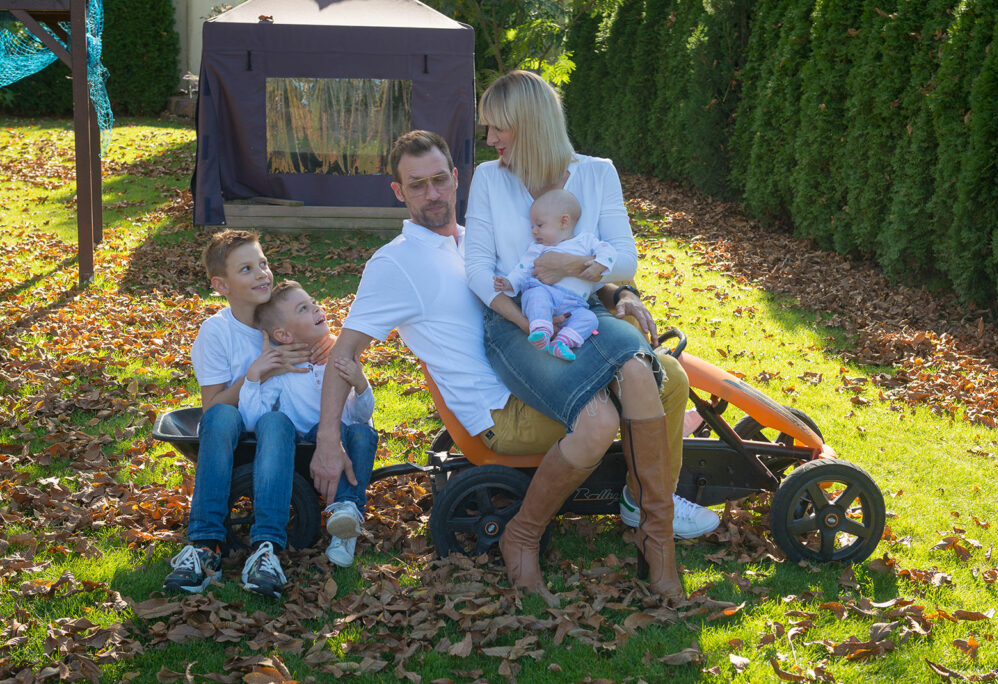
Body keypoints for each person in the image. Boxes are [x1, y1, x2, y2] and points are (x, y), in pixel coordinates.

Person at [311, 131, 709, 602]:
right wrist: (328, 438)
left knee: (668, 374)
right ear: (398, 192)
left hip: (543, 375)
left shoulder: (479, 242)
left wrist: (620, 294)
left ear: (458, 179)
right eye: (417, 185)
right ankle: (526, 535)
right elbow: (344, 352)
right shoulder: (395, 264)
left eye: (440, 179)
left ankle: (638, 501)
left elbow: (557, 275)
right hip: (501, 411)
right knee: (601, 416)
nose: (433, 193)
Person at [465, 71, 719, 598]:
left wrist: (569, 265)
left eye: (498, 129)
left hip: (583, 312)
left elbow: (624, 259)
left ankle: (657, 539)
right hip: (518, 323)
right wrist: (530, 318)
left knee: (640, 372)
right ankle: (522, 536)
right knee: (598, 419)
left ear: (531, 125)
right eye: (487, 130)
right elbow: (477, 270)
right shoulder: (490, 179)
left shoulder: (598, 174)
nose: (490, 141)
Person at [163, 230, 332, 599]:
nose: (261, 274)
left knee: (274, 422)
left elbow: (326, 339)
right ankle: (204, 544)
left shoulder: (285, 317)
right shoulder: (217, 332)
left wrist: (329, 345)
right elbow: (212, 409)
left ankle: (265, 548)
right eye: (246, 269)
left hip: (291, 425)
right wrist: (259, 370)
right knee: (221, 418)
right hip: (237, 429)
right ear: (221, 285)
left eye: (263, 263)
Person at [240, 280, 379, 568]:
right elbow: (254, 419)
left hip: (348, 442)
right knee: (336, 430)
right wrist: (255, 375)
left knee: (364, 433)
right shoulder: (284, 374)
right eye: (304, 308)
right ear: (284, 334)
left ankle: (347, 519)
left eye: (313, 302)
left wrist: (360, 382)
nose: (317, 307)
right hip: (309, 445)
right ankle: (346, 510)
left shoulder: (336, 362)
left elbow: (361, 415)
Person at [493, 188, 615, 361]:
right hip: (545, 292)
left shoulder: (586, 241)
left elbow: (608, 250)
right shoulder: (538, 248)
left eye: (540, 225)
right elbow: (522, 269)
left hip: (575, 304)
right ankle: (541, 331)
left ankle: (562, 343)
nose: (534, 231)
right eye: (532, 226)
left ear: (564, 222)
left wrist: (600, 264)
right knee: (535, 295)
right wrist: (509, 283)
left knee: (590, 319)